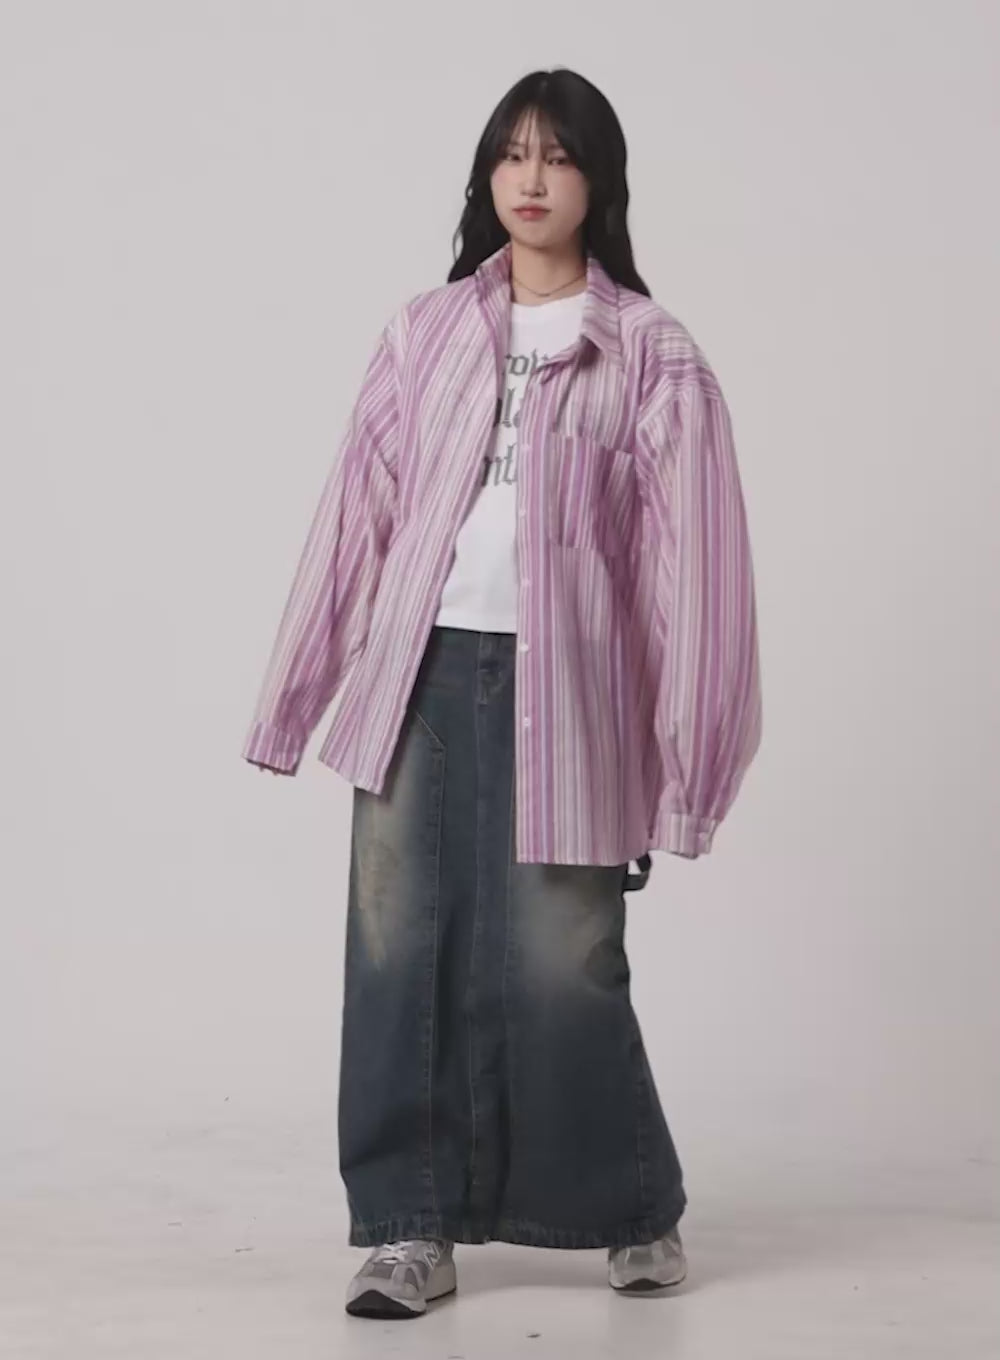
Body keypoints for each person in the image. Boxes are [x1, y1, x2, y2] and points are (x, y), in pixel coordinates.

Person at [241, 66, 762, 1320]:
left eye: (559, 156)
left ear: (599, 181)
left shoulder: (652, 352)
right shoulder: (423, 332)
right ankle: (408, 1230)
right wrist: (293, 697)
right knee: (396, 953)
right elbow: (357, 512)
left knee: (564, 960)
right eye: (512, 153)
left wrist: (688, 772)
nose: (532, 178)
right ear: (486, 175)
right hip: (416, 678)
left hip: (571, 691)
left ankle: (632, 1206)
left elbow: (697, 574)